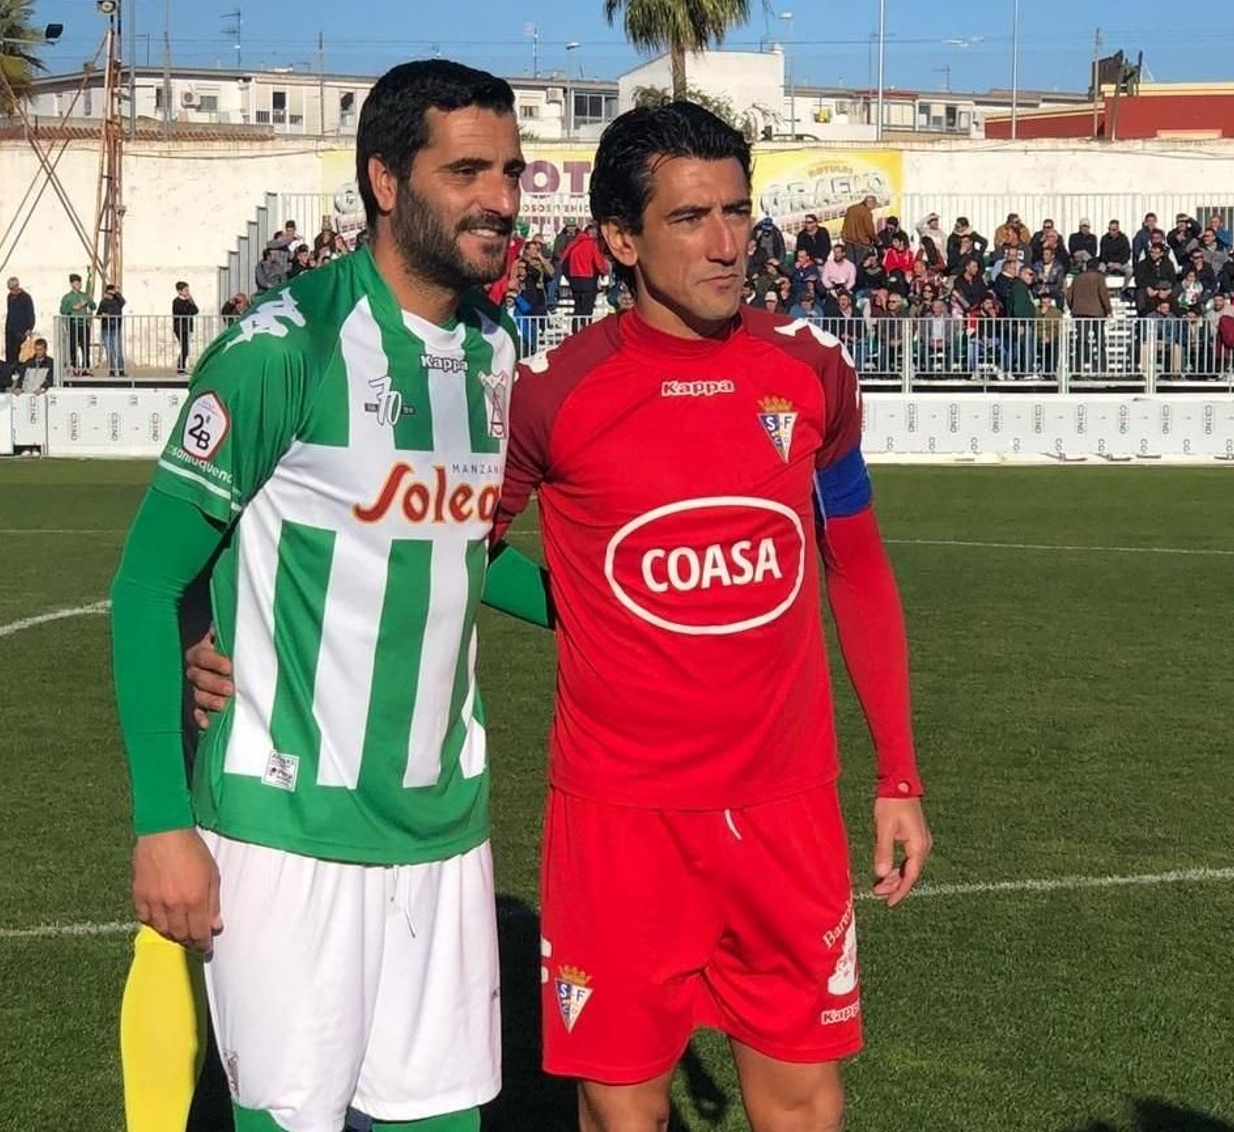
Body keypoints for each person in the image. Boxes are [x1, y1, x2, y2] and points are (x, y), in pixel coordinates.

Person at [184, 100, 931, 1132]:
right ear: (619, 239)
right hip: (618, 821)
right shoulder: (549, 396)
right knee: (624, 1115)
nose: (727, 244)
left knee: (802, 1104)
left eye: (737, 212)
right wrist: (221, 627)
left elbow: (858, 564)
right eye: (689, 218)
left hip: (785, 809)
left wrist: (898, 776)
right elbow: (436, 543)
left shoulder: (811, 370)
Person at [110, 59, 552, 1132]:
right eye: (466, 172)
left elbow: (454, 539)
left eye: (509, 170)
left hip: (444, 827)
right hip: (287, 829)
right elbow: (146, 585)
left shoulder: (494, 350)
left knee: (438, 1118)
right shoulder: (284, 349)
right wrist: (163, 824)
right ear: (385, 181)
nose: (500, 198)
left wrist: (603, 601)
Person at [60, 274, 95, 377]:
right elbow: (62, 310)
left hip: (84, 323)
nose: (79, 285)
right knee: (73, 346)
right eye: (76, 283)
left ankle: (86, 367)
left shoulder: (85, 295)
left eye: (79, 283)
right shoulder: (67, 297)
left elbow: (93, 306)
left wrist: (88, 302)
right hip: (73, 323)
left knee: (85, 346)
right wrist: (73, 307)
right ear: (72, 284)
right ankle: (75, 366)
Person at [5, 277, 35, 378]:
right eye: (10, 288)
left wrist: (30, 328)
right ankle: (11, 372)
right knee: (10, 352)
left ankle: (20, 373)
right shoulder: (9, 296)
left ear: (17, 286)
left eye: (13, 288)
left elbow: (31, 313)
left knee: (20, 352)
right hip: (10, 328)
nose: (11, 291)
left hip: (21, 329)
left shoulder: (26, 298)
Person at [98, 283, 127, 376]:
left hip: (116, 327)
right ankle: (112, 370)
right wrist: (102, 315)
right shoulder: (103, 302)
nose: (110, 294)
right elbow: (98, 314)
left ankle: (121, 370)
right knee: (109, 350)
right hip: (106, 328)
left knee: (118, 349)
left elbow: (123, 302)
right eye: (109, 292)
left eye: (112, 292)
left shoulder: (118, 301)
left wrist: (116, 293)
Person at [170, 282, 198, 375]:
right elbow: (183, 311)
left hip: (188, 327)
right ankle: (180, 368)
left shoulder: (188, 301)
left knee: (186, 347)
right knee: (185, 347)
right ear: (179, 291)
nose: (188, 292)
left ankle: (182, 367)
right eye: (185, 290)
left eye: (188, 290)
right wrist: (188, 303)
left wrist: (191, 301)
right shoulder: (176, 301)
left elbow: (195, 311)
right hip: (180, 327)